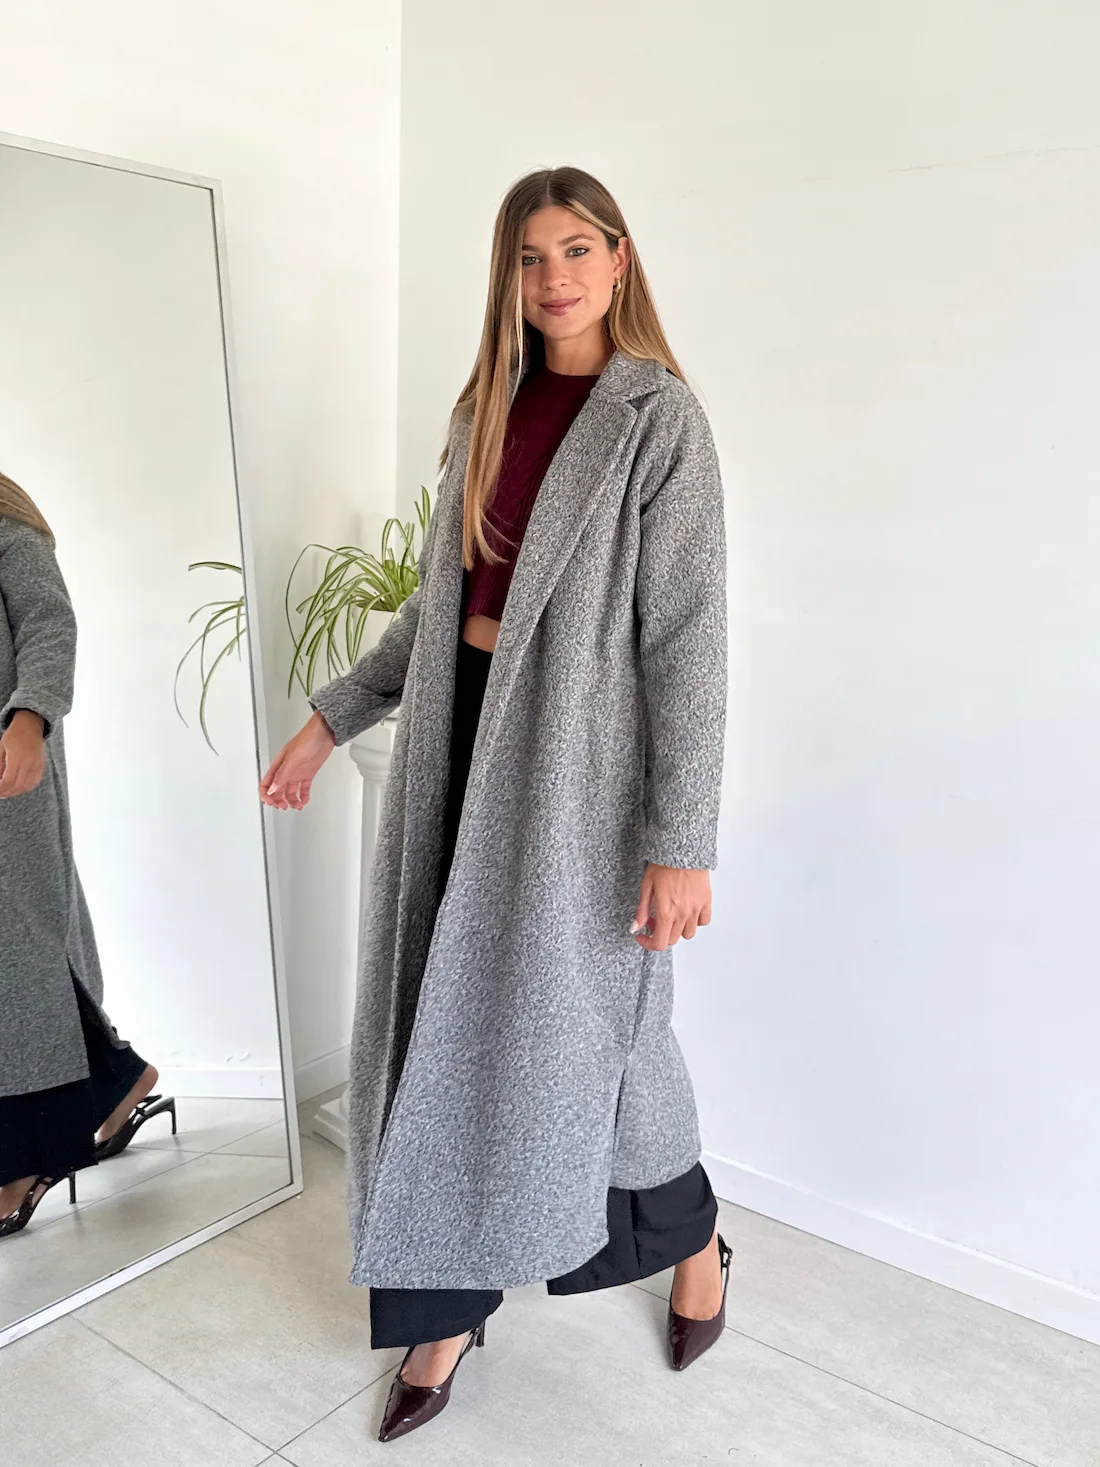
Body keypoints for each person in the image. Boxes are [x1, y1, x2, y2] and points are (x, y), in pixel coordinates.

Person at [260, 166, 729, 1443]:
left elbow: (685, 640)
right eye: (529, 257)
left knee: (601, 1044)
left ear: (618, 260)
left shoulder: (656, 420)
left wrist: (680, 840)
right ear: (506, 277)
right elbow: (436, 600)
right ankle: (444, 1316)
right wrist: (329, 717)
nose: (553, 277)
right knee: (439, 1027)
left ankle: (691, 1240)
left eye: (576, 249)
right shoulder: (486, 406)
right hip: (455, 743)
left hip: (578, 773)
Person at [0, 474, 174, 1237]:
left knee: (21, 952)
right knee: (21, 954)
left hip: (10, 767)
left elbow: (50, 623)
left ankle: (22, 1159)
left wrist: (29, 717)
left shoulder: (8, 529)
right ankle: (117, 1078)